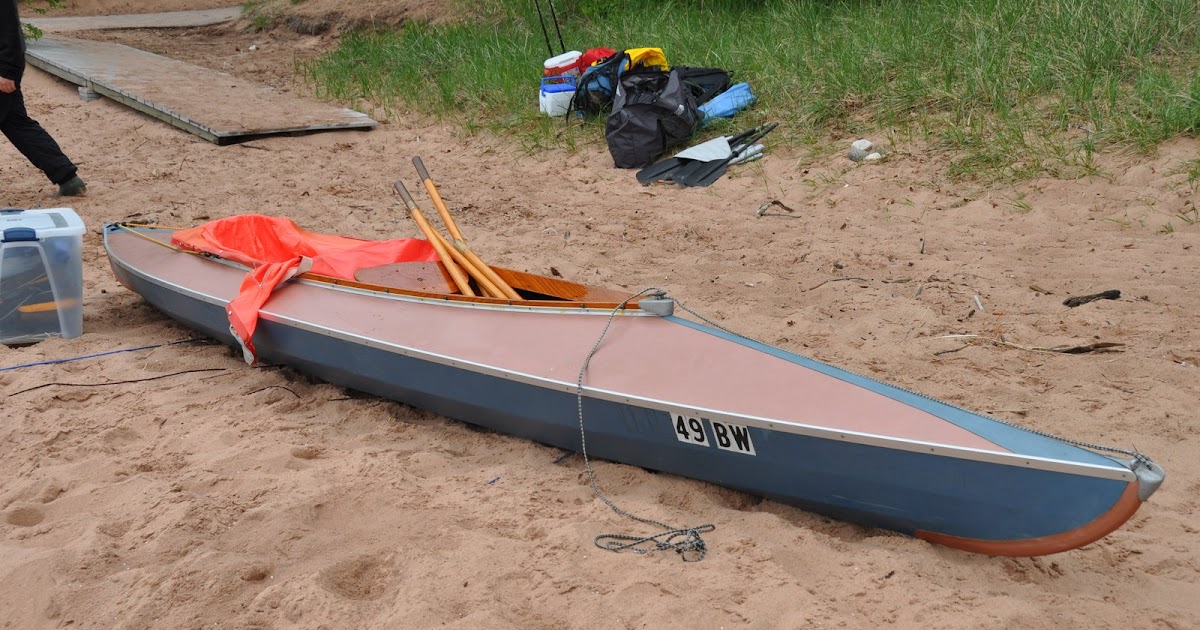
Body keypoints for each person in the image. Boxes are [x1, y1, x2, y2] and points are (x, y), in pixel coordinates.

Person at [1, 0, 86, 196]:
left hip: (2, 74)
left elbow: (10, 30)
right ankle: (67, 178)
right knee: (16, 124)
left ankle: (67, 177)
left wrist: (8, 71)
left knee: (17, 124)